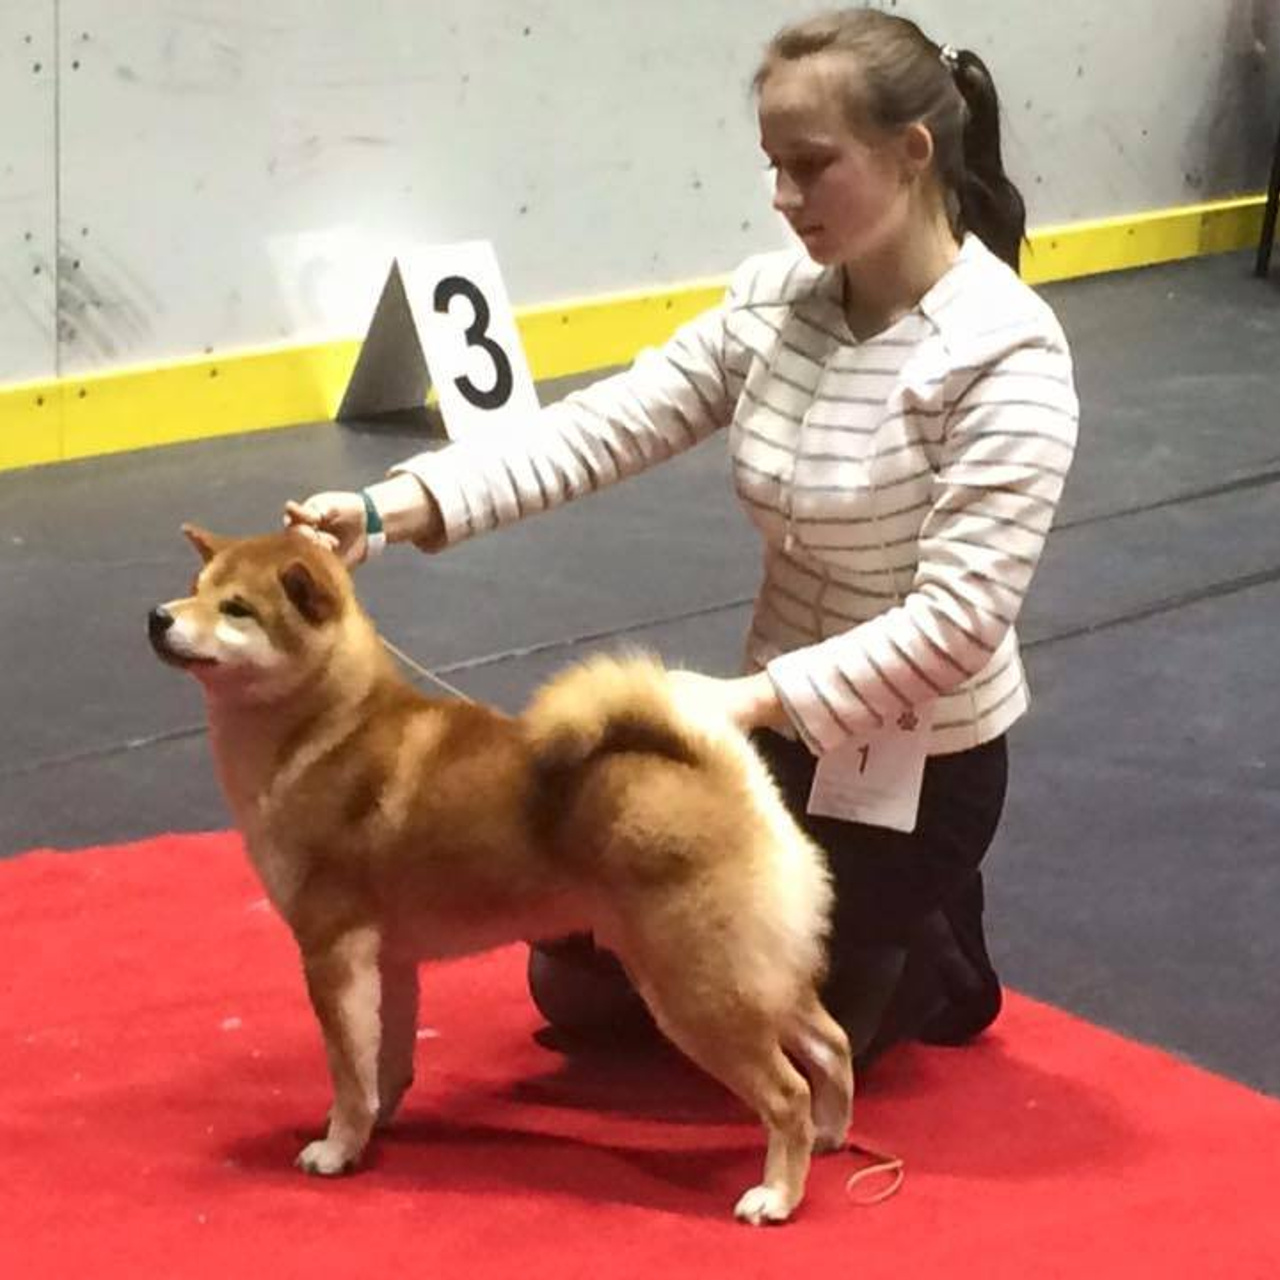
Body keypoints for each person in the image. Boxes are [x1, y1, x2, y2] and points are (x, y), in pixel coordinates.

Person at [285, 8, 1079, 1070]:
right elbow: (603, 423)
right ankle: (873, 918)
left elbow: (957, 622)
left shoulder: (1005, 353)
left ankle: (929, 932)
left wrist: (748, 698)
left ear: (912, 151)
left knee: (789, 1032)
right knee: (569, 981)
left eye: (812, 166)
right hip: (765, 742)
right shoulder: (772, 305)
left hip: (914, 758)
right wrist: (393, 507)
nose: (784, 199)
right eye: (771, 168)